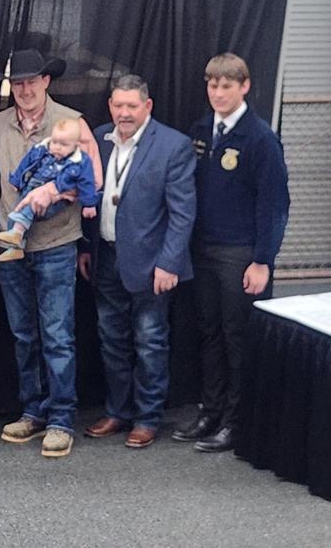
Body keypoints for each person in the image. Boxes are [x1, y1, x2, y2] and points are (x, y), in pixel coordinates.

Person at [173, 53, 289, 453]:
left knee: (237, 337)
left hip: (241, 254)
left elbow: (273, 205)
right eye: (212, 85)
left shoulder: (260, 139)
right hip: (203, 249)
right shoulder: (201, 129)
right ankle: (212, 409)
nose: (218, 93)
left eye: (226, 86)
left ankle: (237, 422)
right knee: (208, 333)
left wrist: (263, 261)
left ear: (245, 87)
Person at [0, 48, 102, 458]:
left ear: (45, 82)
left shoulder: (71, 124)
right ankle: (33, 410)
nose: (24, 89)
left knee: (57, 334)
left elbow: (95, 179)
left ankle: (60, 418)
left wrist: (57, 190)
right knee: (23, 334)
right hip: (11, 244)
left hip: (56, 242)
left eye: (30, 81)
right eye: (17, 83)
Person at [78, 74, 196, 449]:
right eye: (118, 105)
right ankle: (118, 411)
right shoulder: (98, 139)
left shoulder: (173, 146)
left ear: (148, 106)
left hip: (152, 264)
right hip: (105, 256)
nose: (124, 113)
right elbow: (87, 194)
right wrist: (85, 247)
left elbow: (182, 213)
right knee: (111, 339)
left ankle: (147, 418)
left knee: (150, 341)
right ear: (110, 106)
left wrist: (170, 263)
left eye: (132, 106)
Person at [0, 117, 98, 262]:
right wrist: (17, 180)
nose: (57, 147)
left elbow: (88, 183)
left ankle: (17, 232)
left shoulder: (80, 161)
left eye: (64, 145)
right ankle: (16, 248)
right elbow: (26, 164)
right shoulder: (41, 149)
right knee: (16, 212)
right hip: (31, 186)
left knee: (27, 210)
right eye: (55, 142)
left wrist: (89, 204)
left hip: (56, 198)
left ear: (76, 145)